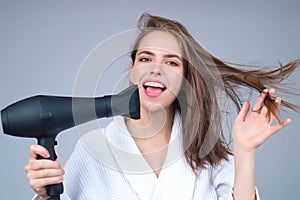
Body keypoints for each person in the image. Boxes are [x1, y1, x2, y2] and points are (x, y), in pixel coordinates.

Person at [25, 14, 299, 200]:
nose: (156, 69)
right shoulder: (93, 149)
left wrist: (245, 152)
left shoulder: (209, 152)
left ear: (184, 79)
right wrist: (45, 191)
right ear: (132, 70)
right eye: (146, 59)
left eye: (171, 62)